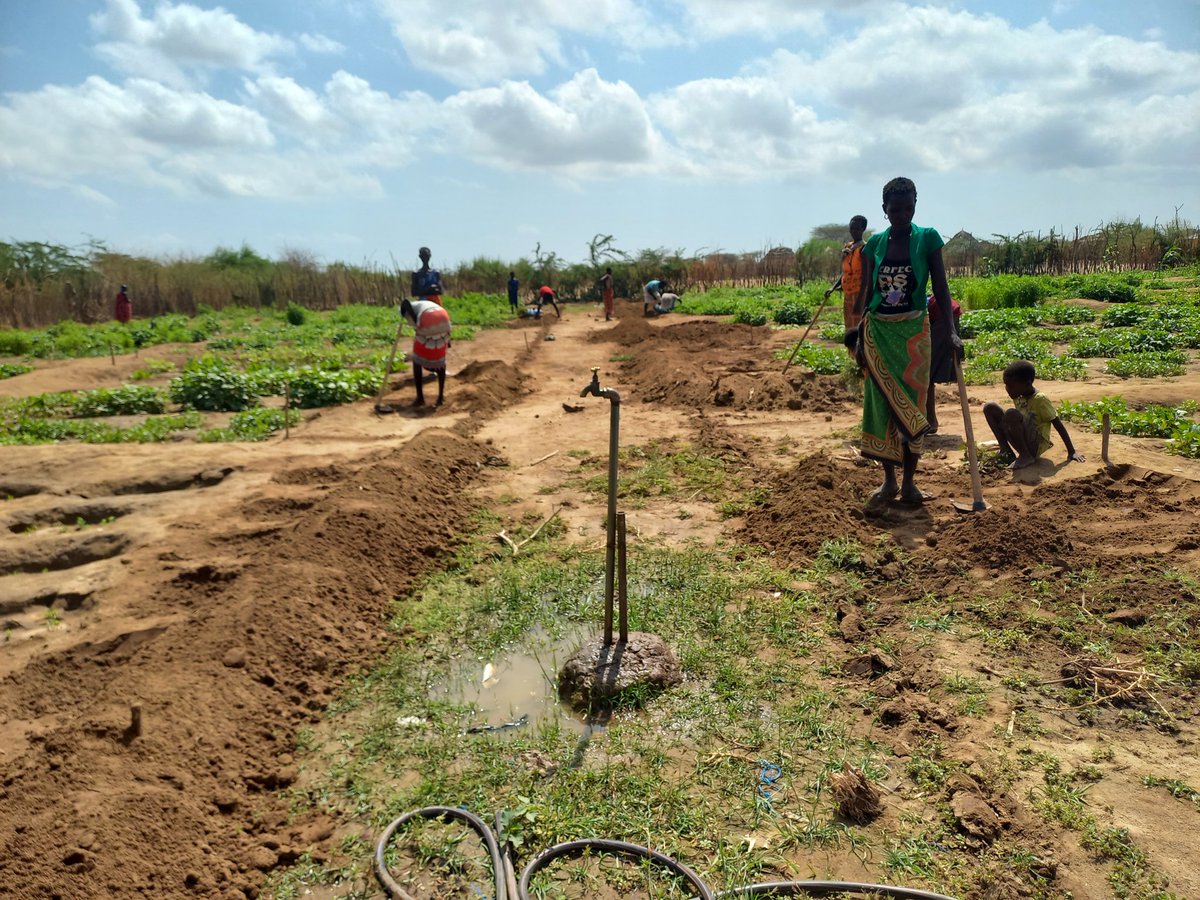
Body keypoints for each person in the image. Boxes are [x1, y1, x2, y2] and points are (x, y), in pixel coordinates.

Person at [853, 176, 960, 504]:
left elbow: (940, 287)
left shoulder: (928, 239)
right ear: (884, 210)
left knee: (913, 406)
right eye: (894, 209)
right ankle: (889, 482)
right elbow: (869, 291)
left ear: (915, 205)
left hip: (914, 331)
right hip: (879, 332)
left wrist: (953, 332)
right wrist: (860, 334)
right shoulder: (874, 245)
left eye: (908, 207)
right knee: (881, 405)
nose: (902, 214)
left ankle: (910, 483)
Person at [983, 360, 1084, 469]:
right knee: (989, 407)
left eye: (1011, 386)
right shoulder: (1019, 395)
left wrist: (1071, 451)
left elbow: (1057, 423)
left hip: (1036, 444)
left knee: (1011, 414)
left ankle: (1026, 456)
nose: (1008, 389)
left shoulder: (1040, 399)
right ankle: (1006, 451)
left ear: (1027, 384)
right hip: (1024, 436)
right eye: (1006, 385)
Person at [400, 297, 451, 407]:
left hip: (428, 317)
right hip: (444, 316)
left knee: (417, 359)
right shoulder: (421, 304)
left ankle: (420, 398)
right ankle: (440, 398)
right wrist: (448, 340)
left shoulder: (410, 309)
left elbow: (406, 306)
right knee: (440, 359)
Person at [925, 292, 963, 433]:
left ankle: (930, 421)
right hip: (946, 312)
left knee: (925, 371)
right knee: (926, 371)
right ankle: (929, 420)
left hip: (943, 315)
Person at [827, 216, 868, 334]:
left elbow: (866, 278)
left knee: (859, 328)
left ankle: (861, 352)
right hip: (848, 294)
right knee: (849, 327)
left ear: (863, 229)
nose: (853, 231)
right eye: (851, 228)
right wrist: (833, 287)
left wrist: (859, 302)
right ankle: (851, 352)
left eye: (856, 228)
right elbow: (845, 273)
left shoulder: (864, 249)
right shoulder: (848, 248)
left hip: (860, 294)